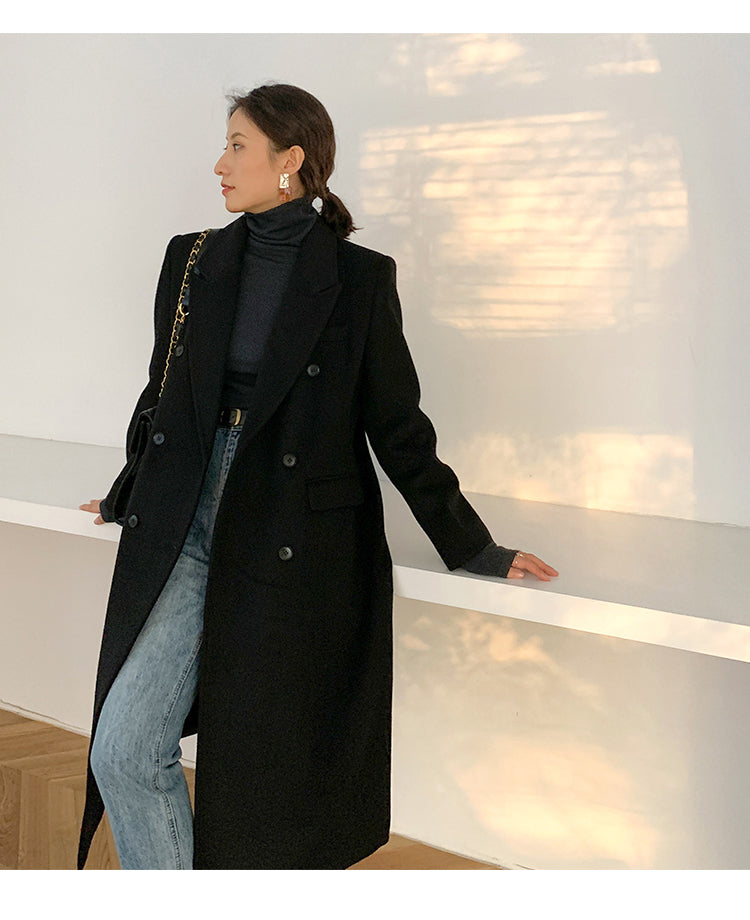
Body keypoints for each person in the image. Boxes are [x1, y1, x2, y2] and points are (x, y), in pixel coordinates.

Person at [77, 83, 558, 871]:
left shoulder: (359, 279)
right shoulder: (192, 259)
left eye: (237, 145)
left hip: (287, 531)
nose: (219, 164)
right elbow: (164, 392)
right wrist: (135, 488)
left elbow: (398, 427)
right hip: (187, 513)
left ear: (290, 160)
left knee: (261, 781)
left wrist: (474, 546)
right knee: (124, 748)